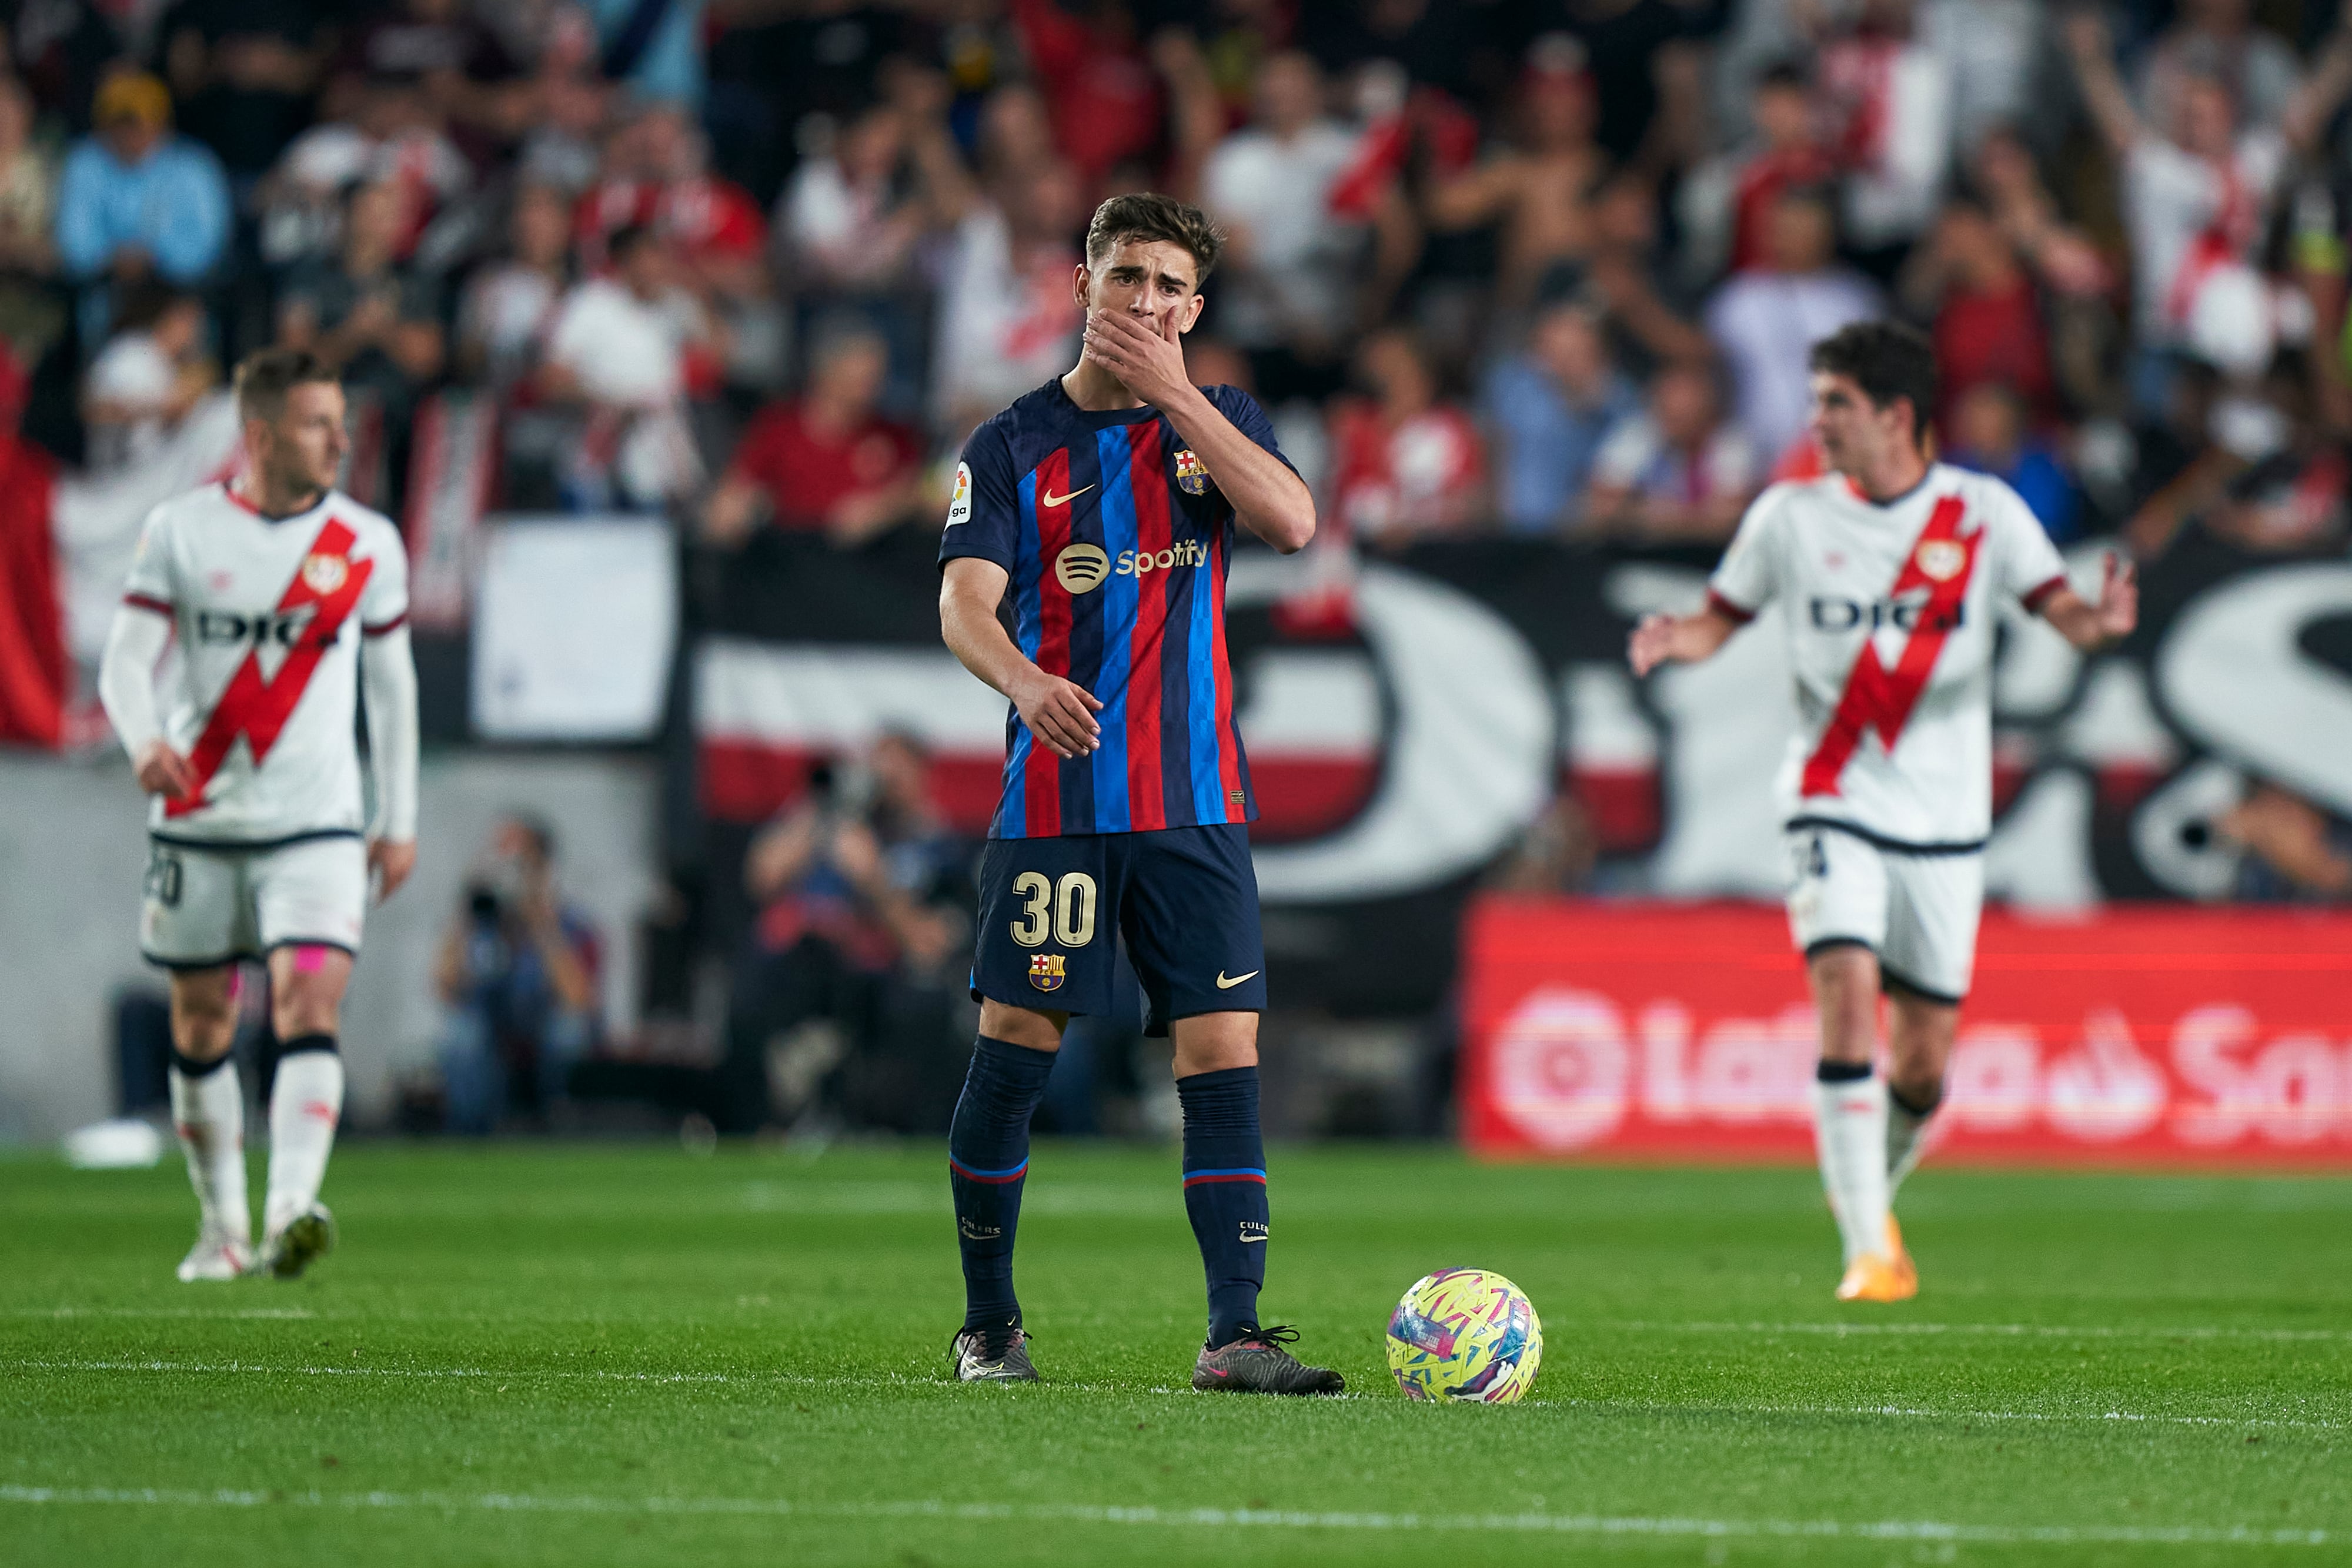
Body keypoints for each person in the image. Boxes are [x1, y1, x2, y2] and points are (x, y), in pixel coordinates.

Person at [1626, 322, 2136, 1302]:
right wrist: (1675, 640)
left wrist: (2100, 625)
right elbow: (1718, 619)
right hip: (1830, 796)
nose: (1815, 421)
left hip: (1946, 819)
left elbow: (2061, 611)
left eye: (1835, 404)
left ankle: (1870, 1191)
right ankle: (1867, 1250)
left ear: (1896, 415)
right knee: (1847, 994)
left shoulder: (1982, 514)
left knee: (1924, 1066)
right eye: (1817, 400)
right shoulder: (1788, 516)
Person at [935, 192, 1339, 1393]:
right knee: (1013, 1044)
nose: (1146, 303)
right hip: (1056, 800)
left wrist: (1174, 395)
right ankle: (988, 1323)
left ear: (1194, 308)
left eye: (1169, 286)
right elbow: (962, 602)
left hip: (1194, 800)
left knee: (1220, 1051)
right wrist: (1023, 679)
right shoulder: (1007, 443)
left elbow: (1291, 521)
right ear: (1084, 287)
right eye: (1127, 279)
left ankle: (1234, 1333)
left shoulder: (1218, 422)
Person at [95, 347, 419, 1283]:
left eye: (342, 424)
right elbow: (125, 659)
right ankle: (222, 1225)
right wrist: (143, 737)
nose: (339, 442)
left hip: (317, 822)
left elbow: (391, 691)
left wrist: (397, 819)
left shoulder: (367, 543)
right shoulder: (182, 531)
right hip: (198, 819)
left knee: (308, 998)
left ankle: (291, 1212)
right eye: (320, 424)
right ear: (261, 434)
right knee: (201, 1021)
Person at [434, 815, 602, 1134]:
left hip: (544, 1026)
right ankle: (468, 1131)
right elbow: (444, 987)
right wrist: (468, 908)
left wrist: (541, 921)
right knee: (460, 1032)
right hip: (492, 1028)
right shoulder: (481, 927)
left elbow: (578, 998)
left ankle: (559, 1123)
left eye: (519, 863)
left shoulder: (572, 924)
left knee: (568, 1031)